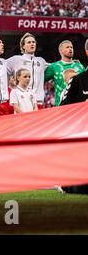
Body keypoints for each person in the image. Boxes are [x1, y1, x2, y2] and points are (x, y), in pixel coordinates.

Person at [59, 39, 88, 195]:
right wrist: (83, 106)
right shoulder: (78, 81)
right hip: (83, 144)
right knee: (79, 188)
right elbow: (63, 111)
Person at [6, 33, 48, 108]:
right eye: (29, 42)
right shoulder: (16, 60)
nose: (32, 44)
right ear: (23, 46)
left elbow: (54, 66)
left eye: (33, 42)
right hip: (21, 101)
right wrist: (9, 84)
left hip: (38, 101)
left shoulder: (41, 61)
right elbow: (0, 69)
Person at [44, 40, 85, 106]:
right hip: (62, 106)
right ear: (61, 51)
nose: (70, 49)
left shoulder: (80, 66)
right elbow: (40, 80)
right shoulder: (54, 67)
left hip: (79, 106)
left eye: (71, 47)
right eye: (67, 47)